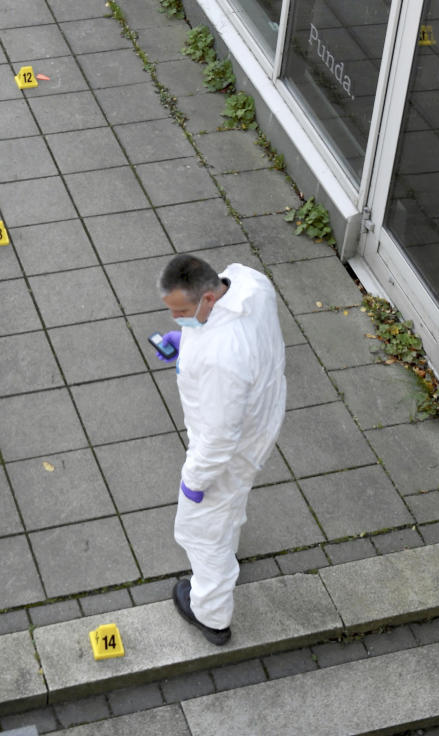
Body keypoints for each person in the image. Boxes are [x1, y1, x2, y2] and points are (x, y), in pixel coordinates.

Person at [154, 253, 286, 645]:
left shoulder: (221, 359)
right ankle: (228, 544)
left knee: (201, 528)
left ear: (208, 298)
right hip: (262, 412)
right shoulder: (248, 282)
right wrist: (189, 342)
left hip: (234, 444)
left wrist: (195, 481)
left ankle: (209, 612)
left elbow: (217, 438)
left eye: (181, 311)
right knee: (229, 504)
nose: (176, 318)